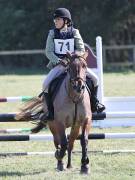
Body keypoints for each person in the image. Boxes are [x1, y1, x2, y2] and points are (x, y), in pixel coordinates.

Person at [43, 8, 105, 120]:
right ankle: (50, 112)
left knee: (95, 79)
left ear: (66, 21)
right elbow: (48, 52)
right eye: (55, 20)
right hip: (59, 65)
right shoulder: (52, 33)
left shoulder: (74, 32)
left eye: (58, 19)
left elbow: (81, 49)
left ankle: (95, 103)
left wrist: (73, 58)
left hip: (74, 64)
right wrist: (58, 61)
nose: (55, 22)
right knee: (45, 84)